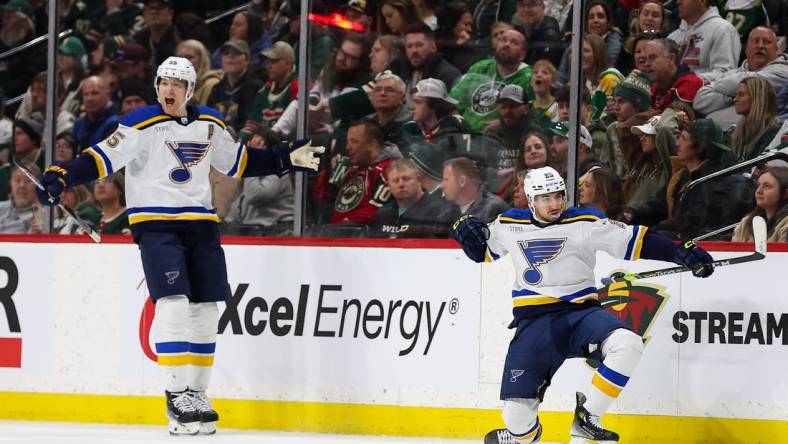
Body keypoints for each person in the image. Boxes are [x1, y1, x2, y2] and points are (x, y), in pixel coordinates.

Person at [36, 56, 324, 435]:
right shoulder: (140, 124)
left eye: (177, 84)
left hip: (201, 225)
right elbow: (100, 159)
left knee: (206, 310)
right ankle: (175, 394)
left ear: (190, 90)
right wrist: (62, 175)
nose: (168, 90)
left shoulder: (209, 123)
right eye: (164, 83)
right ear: (157, 86)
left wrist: (283, 158)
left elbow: (237, 162)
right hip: (157, 226)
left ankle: (197, 393)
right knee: (172, 305)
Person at [450, 166, 715, 444]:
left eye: (558, 196)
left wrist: (679, 252)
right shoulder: (509, 223)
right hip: (535, 322)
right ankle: (520, 435)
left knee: (628, 344)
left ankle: (587, 419)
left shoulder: (584, 221)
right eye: (545, 198)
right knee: (516, 418)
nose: (554, 204)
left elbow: (637, 239)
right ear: (530, 200)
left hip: (581, 313)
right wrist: (463, 230)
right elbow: (481, 251)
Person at [693, 27, 788, 121]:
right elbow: (699, 101)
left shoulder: (783, 71)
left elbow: (724, 84)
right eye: (755, 41)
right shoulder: (732, 73)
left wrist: (725, 91)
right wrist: (740, 96)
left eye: (766, 42)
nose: (760, 45)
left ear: (777, 50)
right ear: (746, 49)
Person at [374, 158, 457, 238]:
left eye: (406, 179)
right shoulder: (383, 213)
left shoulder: (439, 212)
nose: (401, 184)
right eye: (395, 181)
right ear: (388, 185)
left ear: (419, 179)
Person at [667, 0, 740, 82]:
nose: (678, 2)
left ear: (702, 1)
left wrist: (689, 81)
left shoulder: (723, 29)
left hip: (704, 92)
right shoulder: (673, 37)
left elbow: (726, 74)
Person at [442, 156, 510, 223]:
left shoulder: (494, 210)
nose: (442, 186)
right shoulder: (448, 210)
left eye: (446, 179)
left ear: (462, 181)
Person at [732, 166, 788, 242]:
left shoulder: (785, 225)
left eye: (767, 186)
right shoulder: (746, 223)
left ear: (785, 193)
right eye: (758, 185)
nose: (759, 191)